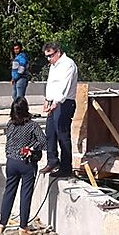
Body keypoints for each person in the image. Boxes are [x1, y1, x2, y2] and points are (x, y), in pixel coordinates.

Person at [0, 97, 46, 235]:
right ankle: (23, 227)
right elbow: (44, 143)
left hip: (11, 162)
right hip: (26, 163)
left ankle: (2, 224)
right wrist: (31, 148)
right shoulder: (32, 126)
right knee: (25, 195)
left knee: (9, 193)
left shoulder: (10, 124)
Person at [39, 42, 78, 177]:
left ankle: (66, 167)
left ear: (58, 52)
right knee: (50, 133)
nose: (49, 59)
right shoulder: (53, 66)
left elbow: (64, 87)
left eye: (51, 56)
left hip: (64, 103)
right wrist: (47, 100)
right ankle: (52, 161)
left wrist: (56, 102)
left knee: (62, 135)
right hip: (54, 102)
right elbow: (51, 84)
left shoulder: (68, 64)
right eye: (47, 57)